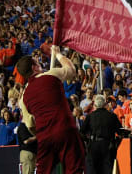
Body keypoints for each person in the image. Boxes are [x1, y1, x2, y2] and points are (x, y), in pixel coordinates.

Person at [16, 45, 85, 174]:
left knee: (43, 171)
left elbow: (30, 125)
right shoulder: (51, 75)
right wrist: (58, 54)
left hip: (45, 137)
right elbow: (71, 69)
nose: (40, 63)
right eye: (37, 62)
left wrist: (41, 133)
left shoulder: (23, 97)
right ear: (33, 67)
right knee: (74, 169)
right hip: (65, 131)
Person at [80, 94, 123, 174]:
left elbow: (81, 132)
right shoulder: (112, 116)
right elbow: (121, 132)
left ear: (95, 105)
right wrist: (116, 143)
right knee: (107, 170)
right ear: (105, 104)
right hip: (108, 146)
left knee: (93, 170)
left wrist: (88, 141)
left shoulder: (90, 116)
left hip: (93, 146)